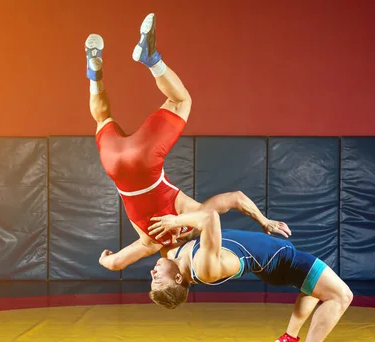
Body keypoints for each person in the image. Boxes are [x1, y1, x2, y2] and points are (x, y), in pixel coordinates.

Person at [85, 13, 291, 270]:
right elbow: (114, 263)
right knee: (102, 117)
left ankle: (151, 59)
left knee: (182, 101)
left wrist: (264, 221)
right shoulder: (148, 244)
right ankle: (94, 75)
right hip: (115, 166)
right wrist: (105, 257)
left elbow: (235, 198)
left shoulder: (195, 216)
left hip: (145, 161)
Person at [147, 209, 353, 342]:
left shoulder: (177, 253)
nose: (152, 272)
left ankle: (288, 339)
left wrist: (114, 259)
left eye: (153, 278)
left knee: (313, 289)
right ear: (177, 279)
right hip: (281, 261)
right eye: (157, 279)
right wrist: (176, 220)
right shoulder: (202, 266)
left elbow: (229, 199)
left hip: (275, 262)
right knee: (342, 296)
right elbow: (210, 215)